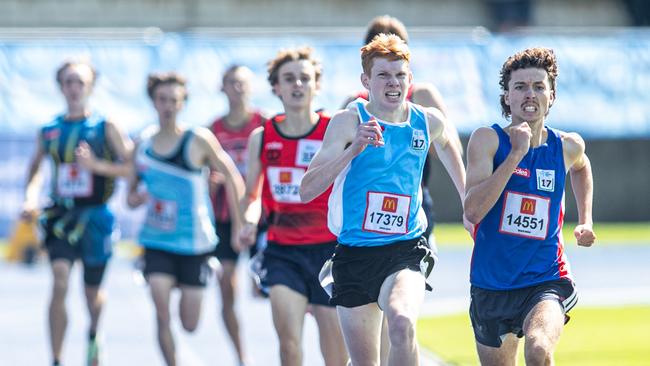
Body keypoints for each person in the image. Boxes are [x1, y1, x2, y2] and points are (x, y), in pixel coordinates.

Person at [300, 34, 467, 366]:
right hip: (354, 254)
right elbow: (307, 189)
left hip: (405, 248)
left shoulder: (427, 121)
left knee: (402, 323)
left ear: (410, 79)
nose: (394, 83)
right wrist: (354, 149)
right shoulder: (348, 122)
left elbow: (450, 149)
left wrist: (470, 207)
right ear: (366, 80)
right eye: (384, 76)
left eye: (400, 75)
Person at [463, 47, 596, 365]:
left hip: (545, 277)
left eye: (539, 86)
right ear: (507, 97)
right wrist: (514, 156)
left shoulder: (567, 145)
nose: (530, 94)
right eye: (520, 86)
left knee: (538, 349)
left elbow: (581, 166)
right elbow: (473, 212)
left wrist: (586, 218)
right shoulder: (487, 141)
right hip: (491, 283)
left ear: (552, 96)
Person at [239, 47, 348, 366]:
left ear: (317, 85)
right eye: (289, 79)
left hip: (330, 252)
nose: (297, 84)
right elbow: (253, 195)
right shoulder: (263, 136)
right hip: (282, 252)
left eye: (305, 78)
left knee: (336, 354)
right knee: (289, 345)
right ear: (276, 87)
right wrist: (248, 221)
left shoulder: (335, 129)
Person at [127, 72, 245, 366]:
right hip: (157, 241)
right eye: (162, 100)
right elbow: (130, 196)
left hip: (195, 244)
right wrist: (137, 198)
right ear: (153, 102)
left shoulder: (198, 139)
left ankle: (184, 280)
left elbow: (231, 176)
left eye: (174, 101)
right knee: (161, 311)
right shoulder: (142, 143)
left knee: (189, 323)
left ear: (183, 104)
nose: (168, 106)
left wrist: (240, 225)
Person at [22, 59, 134, 366]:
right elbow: (34, 171)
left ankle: (94, 333)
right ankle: (56, 358)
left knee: (91, 293)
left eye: (80, 82)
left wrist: (97, 166)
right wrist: (30, 199)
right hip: (61, 217)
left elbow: (131, 168)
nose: (74, 88)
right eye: (68, 82)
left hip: (96, 217)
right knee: (59, 279)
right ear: (60, 87)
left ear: (91, 87)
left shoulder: (104, 127)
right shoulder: (49, 130)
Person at [208, 64, 265, 365]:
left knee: (273, 289)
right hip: (225, 218)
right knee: (226, 286)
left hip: (263, 216)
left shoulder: (264, 123)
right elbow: (203, 178)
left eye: (243, 82)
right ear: (223, 87)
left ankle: (288, 341)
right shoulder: (214, 130)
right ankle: (242, 356)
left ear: (251, 87)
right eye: (231, 82)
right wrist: (210, 182)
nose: (238, 88)